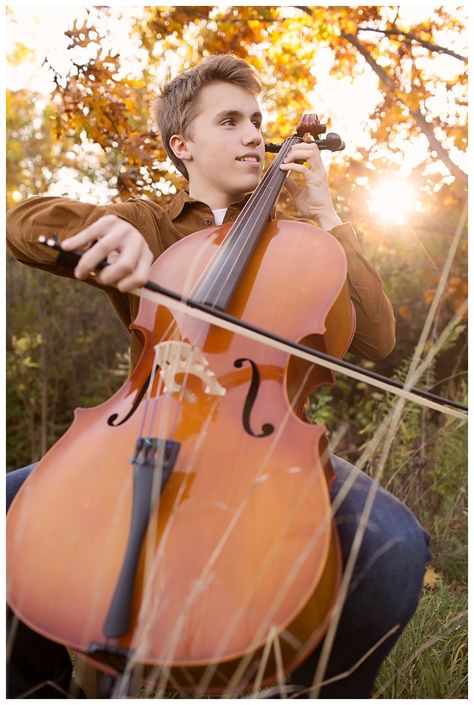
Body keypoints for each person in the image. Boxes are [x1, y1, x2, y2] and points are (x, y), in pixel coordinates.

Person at [6, 54, 431, 699]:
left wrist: (325, 210)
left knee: (394, 547)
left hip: (259, 443)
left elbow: (377, 338)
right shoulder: (153, 224)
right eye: (230, 121)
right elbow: (22, 226)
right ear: (183, 144)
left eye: (257, 121)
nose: (254, 134)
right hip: (141, 430)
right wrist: (102, 229)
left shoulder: (303, 246)